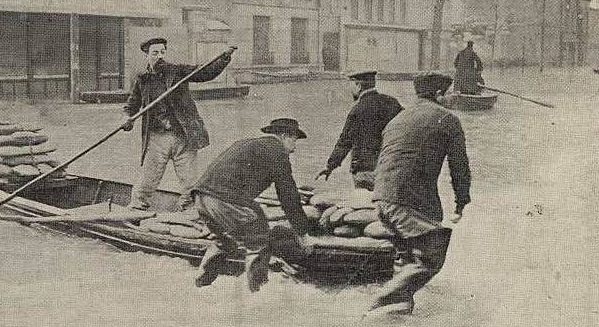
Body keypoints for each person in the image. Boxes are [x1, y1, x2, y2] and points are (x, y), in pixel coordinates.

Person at [367, 73, 471, 316]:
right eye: (448, 94)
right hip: (408, 201)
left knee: (406, 261)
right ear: (439, 95)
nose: (451, 99)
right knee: (430, 259)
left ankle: (398, 314)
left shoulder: (398, 118)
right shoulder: (447, 119)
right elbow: (459, 167)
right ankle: (377, 305)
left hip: (382, 197)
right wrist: (461, 203)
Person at [192, 118, 311, 292]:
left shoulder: (249, 144)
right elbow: (289, 197)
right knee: (259, 240)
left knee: (225, 241)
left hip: (201, 197)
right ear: (284, 136)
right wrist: (302, 232)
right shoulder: (277, 153)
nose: (294, 147)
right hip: (224, 201)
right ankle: (257, 292)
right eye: (294, 140)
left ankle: (202, 282)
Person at [122, 38, 234, 211]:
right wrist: (127, 117)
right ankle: (136, 210)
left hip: (183, 135)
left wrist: (224, 58)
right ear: (147, 55)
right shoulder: (142, 79)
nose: (159, 56)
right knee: (146, 180)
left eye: (162, 52)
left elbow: (205, 73)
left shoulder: (178, 71)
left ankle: (189, 212)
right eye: (155, 53)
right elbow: (132, 104)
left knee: (189, 183)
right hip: (157, 138)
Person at [316, 71, 403, 190]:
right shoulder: (391, 102)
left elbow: (345, 142)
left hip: (364, 170)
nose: (349, 89)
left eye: (350, 84)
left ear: (358, 86)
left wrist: (330, 166)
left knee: (365, 203)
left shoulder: (357, 110)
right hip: (390, 167)